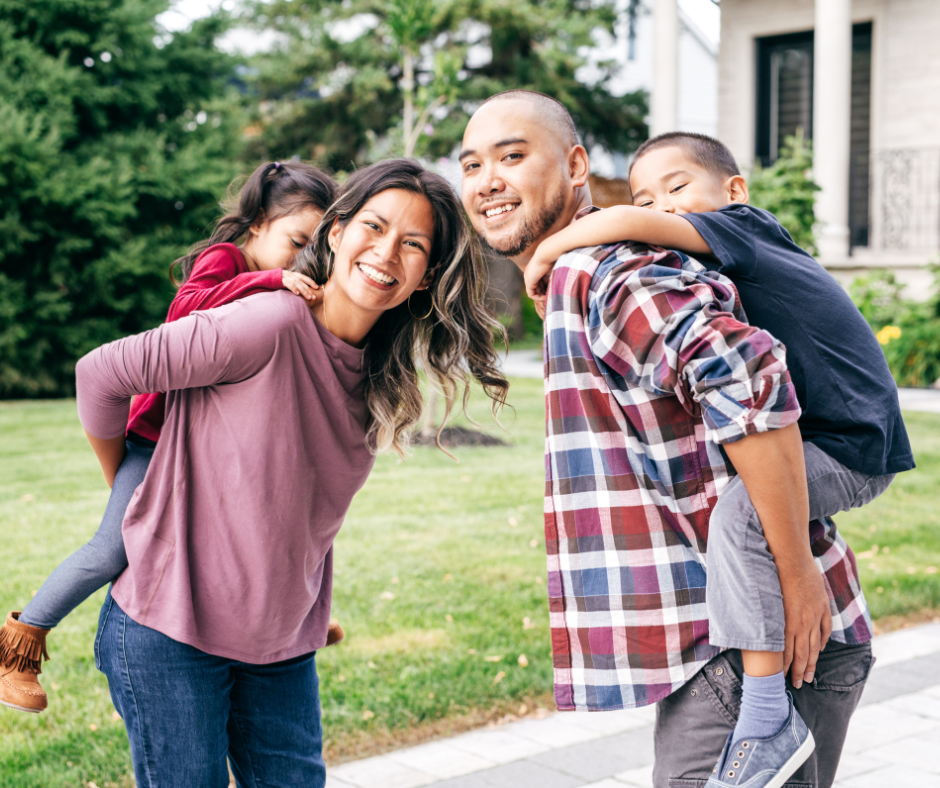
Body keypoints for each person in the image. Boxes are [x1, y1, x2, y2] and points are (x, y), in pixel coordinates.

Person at [460, 91, 897, 788]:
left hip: (754, 651)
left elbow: (745, 374)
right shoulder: (593, 269)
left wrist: (795, 576)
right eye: (471, 164)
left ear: (576, 166)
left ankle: (767, 718)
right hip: (745, 643)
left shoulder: (607, 269)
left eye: (512, 156)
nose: (487, 180)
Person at [45, 158, 507, 787]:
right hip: (170, 632)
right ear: (336, 232)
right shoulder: (267, 322)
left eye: (413, 244)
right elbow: (100, 374)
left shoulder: (381, 376)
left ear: (426, 276)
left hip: (280, 648)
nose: (386, 252)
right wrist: (129, 488)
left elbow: (296, 508)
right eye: (374, 226)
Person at [0, 160, 340, 714]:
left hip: (212, 439)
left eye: (313, 252)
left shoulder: (281, 281)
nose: (300, 261)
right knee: (113, 547)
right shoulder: (226, 259)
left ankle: (294, 621)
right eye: (296, 242)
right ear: (258, 222)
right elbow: (185, 309)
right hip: (158, 439)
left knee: (267, 518)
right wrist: (269, 281)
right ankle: (19, 645)